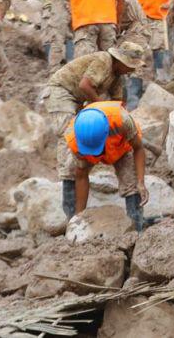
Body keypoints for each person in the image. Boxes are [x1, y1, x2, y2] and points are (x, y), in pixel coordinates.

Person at [43, 42, 146, 220]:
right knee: (69, 133)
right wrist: (99, 109)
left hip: (80, 100)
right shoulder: (104, 60)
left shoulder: (117, 77)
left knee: (107, 140)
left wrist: (125, 127)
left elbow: (118, 105)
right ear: (120, 60)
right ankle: (70, 201)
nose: (131, 71)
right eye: (129, 66)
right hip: (62, 91)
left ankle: (136, 218)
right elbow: (84, 85)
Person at [65, 101, 149, 231]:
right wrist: (78, 218)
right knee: (70, 170)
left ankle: (136, 230)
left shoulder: (122, 120)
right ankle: (70, 218)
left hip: (121, 148)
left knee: (131, 183)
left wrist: (141, 182)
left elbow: (138, 148)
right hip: (87, 152)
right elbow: (81, 176)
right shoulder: (74, 139)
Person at [117, 0, 153, 109]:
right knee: (121, 62)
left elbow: (123, 4)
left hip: (138, 27)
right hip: (128, 28)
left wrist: (116, 27)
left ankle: (133, 105)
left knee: (133, 63)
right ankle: (124, 101)